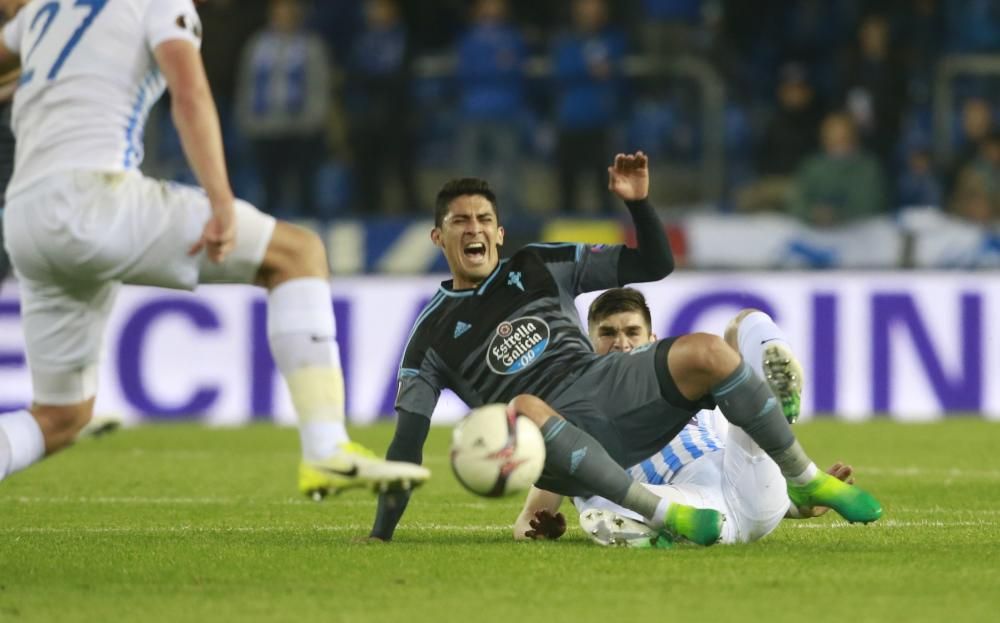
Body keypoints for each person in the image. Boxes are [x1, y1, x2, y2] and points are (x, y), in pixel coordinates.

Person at [0, 0, 428, 496]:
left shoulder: (45, 11)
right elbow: (190, 91)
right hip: (95, 198)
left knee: (60, 416)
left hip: (26, 217)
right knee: (297, 253)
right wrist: (220, 199)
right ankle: (327, 448)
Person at [368, 150, 881, 543]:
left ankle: (804, 477)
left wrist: (638, 203)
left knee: (708, 350)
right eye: (460, 221)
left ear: (500, 233)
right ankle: (661, 513)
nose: (473, 229)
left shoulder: (539, 265)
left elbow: (653, 266)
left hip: (604, 387)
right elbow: (407, 444)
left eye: (483, 220)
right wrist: (381, 532)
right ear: (439, 238)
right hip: (547, 439)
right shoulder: (429, 336)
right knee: (522, 407)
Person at [513, 287, 855, 547]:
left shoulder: (693, 391)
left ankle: (776, 384)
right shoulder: (568, 419)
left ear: (652, 341)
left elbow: (749, 464)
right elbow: (527, 519)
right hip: (692, 507)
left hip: (739, 481)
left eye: (632, 332)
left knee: (746, 329)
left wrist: (803, 504)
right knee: (595, 500)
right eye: (608, 334)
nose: (621, 343)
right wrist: (542, 529)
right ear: (589, 346)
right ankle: (645, 526)